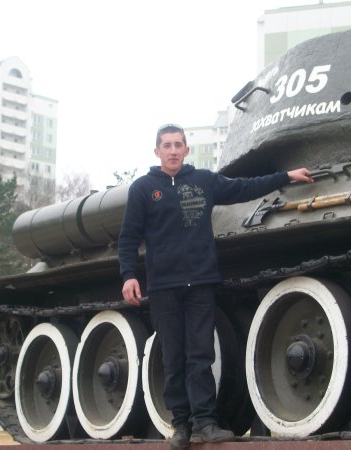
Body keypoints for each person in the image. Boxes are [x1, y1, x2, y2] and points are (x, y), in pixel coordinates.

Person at [118, 124, 313, 449]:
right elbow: (128, 237)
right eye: (167, 145)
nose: (173, 150)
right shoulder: (143, 189)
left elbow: (243, 188)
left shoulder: (203, 181)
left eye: (178, 145)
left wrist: (285, 177)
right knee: (173, 358)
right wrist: (128, 275)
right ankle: (181, 427)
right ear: (157, 151)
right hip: (164, 286)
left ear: (186, 149)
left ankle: (206, 423)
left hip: (199, 283)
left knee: (201, 355)